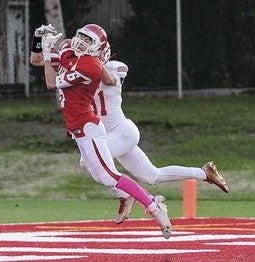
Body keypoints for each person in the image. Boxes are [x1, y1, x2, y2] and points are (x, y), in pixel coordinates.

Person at [39, 23, 172, 239]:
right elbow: (39, 62)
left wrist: (47, 51)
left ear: (98, 48)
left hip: (88, 127)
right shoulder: (68, 51)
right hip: (80, 129)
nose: (81, 41)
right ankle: (143, 200)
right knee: (103, 175)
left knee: (110, 176)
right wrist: (41, 41)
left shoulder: (90, 65)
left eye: (89, 40)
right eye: (81, 36)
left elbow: (51, 82)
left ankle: (154, 207)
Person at [89, 55, 229, 223]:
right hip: (109, 136)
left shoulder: (113, 67)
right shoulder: (82, 69)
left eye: (88, 42)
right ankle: (204, 173)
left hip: (121, 132)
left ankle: (127, 195)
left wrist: (93, 61)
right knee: (152, 176)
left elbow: (110, 80)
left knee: (88, 161)